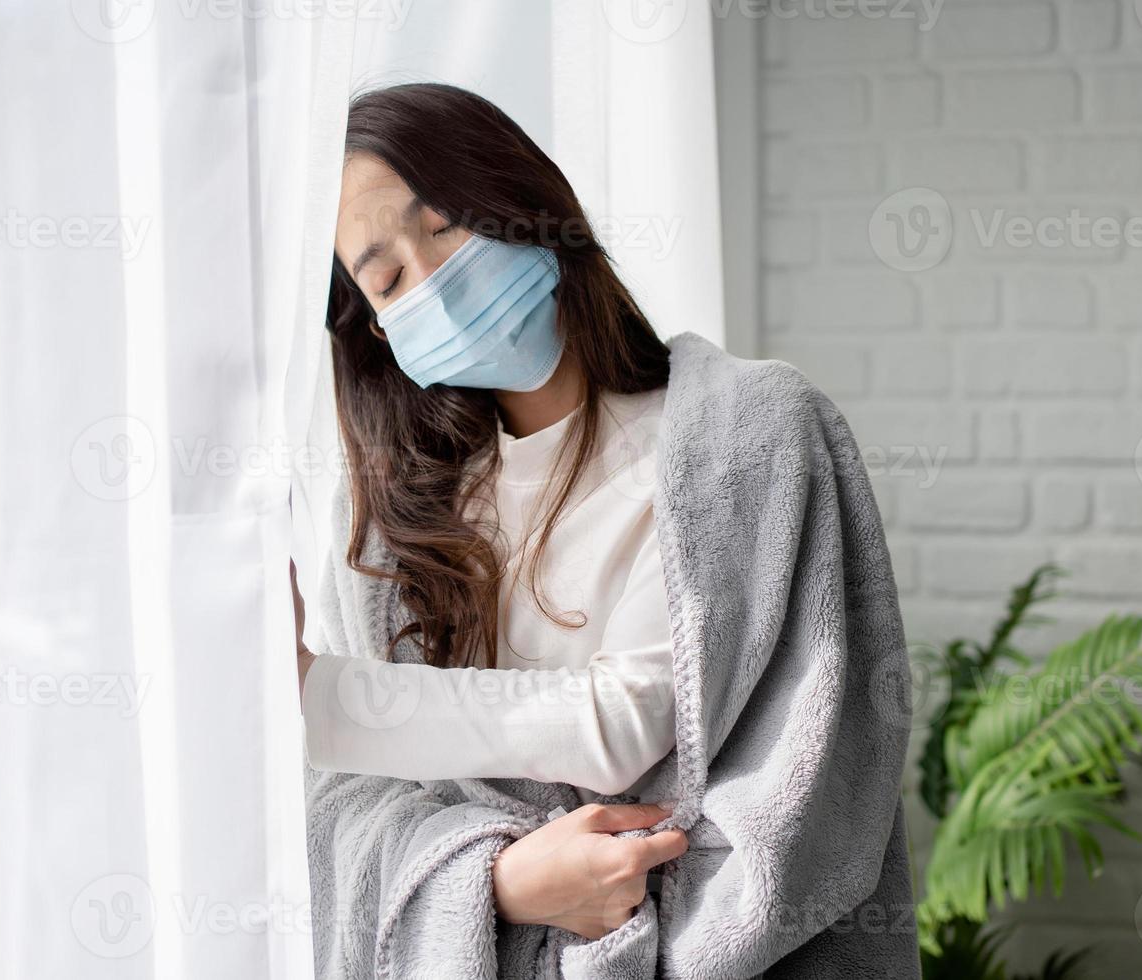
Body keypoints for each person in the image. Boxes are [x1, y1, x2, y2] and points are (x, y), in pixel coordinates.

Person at [290, 82, 917, 978]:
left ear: (524, 201)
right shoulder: (390, 525)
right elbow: (349, 811)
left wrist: (320, 694)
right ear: (374, 328)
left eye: (445, 226)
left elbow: (641, 726)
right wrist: (497, 881)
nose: (433, 281)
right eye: (385, 276)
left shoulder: (742, 436)